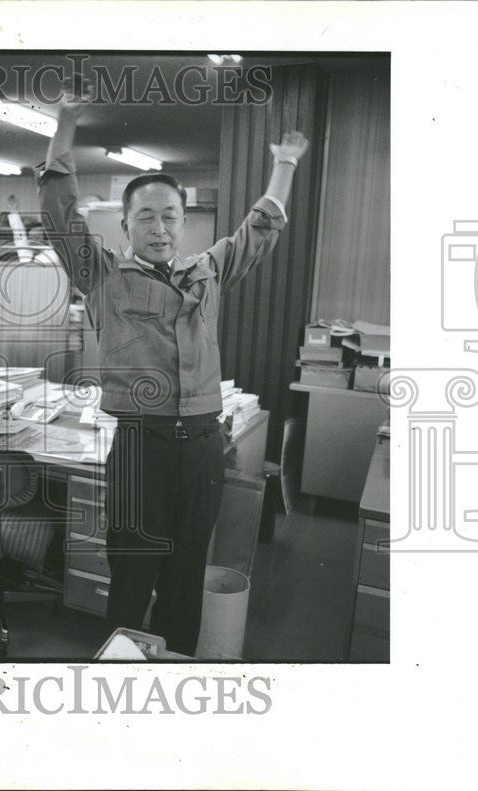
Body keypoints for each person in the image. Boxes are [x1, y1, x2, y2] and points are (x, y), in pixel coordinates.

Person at [37, 89, 309, 656]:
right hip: (142, 446)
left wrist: (284, 164)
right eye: (146, 217)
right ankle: (121, 681)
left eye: (170, 217)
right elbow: (59, 211)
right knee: (134, 575)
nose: (159, 228)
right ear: (126, 225)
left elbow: (260, 230)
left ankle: (177, 681)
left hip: (203, 447)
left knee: (186, 576)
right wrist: (66, 121)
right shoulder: (103, 276)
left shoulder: (206, 271)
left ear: (183, 223)